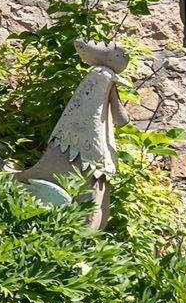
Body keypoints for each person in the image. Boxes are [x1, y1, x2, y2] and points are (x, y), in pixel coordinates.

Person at [14, 40, 128, 229]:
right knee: (89, 173)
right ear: (109, 58)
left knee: (92, 174)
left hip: (85, 135)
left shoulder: (102, 75)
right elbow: (121, 118)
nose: (123, 58)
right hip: (84, 138)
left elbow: (119, 116)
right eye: (118, 55)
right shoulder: (102, 75)